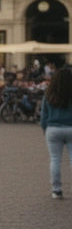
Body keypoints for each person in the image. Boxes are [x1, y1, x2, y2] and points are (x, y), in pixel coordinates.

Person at [41, 66, 72, 199]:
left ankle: (56, 190)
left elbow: (43, 115)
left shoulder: (49, 94)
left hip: (53, 128)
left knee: (55, 160)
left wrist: (45, 129)